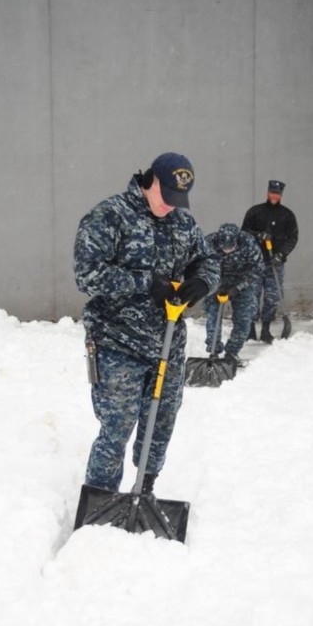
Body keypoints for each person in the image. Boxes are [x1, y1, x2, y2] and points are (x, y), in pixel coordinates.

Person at [74, 152, 220, 495]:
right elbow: (87, 275)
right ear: (150, 181)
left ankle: (144, 490)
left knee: (161, 422)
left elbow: (208, 259)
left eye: (178, 199)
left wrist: (203, 281)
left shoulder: (183, 224)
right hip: (117, 342)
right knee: (117, 426)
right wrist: (144, 282)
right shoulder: (110, 216)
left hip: (168, 341)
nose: (171, 205)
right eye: (166, 195)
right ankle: (101, 497)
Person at [241, 179, 298, 343]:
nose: (274, 196)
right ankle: (250, 330)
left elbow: (293, 238)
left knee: (272, 297)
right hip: (255, 262)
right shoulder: (255, 212)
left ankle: (265, 330)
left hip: (275, 263)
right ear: (268, 192)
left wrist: (281, 254)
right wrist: (258, 235)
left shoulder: (287, 215)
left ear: (281, 195)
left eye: (277, 194)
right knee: (252, 295)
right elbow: (243, 233)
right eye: (272, 192)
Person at [203, 223, 264, 367]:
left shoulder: (248, 242)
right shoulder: (208, 243)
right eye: (224, 248)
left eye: (230, 248)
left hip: (242, 281)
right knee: (212, 316)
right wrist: (215, 285)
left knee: (244, 317)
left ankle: (232, 353)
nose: (227, 252)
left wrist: (237, 288)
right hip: (216, 280)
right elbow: (201, 267)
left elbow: (257, 269)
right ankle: (214, 351)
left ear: (237, 241)